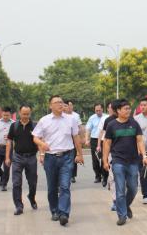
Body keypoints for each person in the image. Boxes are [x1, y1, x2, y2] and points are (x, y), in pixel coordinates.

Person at [33, 95, 84, 227]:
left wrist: (79, 153)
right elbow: (35, 137)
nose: (60, 104)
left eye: (61, 102)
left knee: (65, 186)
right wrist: (41, 145)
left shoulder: (71, 119)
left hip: (67, 156)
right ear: (50, 106)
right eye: (56, 102)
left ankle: (64, 214)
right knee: (52, 187)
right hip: (50, 157)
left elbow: (76, 137)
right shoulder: (44, 120)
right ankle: (54, 210)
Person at [103, 99, 147, 226]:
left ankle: (125, 205)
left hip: (133, 161)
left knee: (133, 188)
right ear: (118, 111)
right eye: (126, 109)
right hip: (118, 161)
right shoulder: (112, 125)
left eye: (129, 108)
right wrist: (105, 160)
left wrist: (144, 155)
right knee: (120, 189)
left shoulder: (134, 124)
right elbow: (107, 143)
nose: (128, 111)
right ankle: (122, 215)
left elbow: (140, 141)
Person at [5, 105, 40, 216]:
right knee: (16, 183)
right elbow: (9, 141)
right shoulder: (14, 126)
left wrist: (42, 154)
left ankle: (31, 197)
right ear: (19, 113)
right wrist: (7, 157)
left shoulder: (35, 126)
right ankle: (19, 206)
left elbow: (39, 140)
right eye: (23, 113)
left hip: (31, 158)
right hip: (18, 158)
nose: (25, 116)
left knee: (33, 182)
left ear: (30, 113)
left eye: (27, 114)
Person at [97, 100, 118, 211]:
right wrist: (105, 158)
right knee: (113, 177)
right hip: (112, 153)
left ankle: (122, 198)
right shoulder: (108, 121)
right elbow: (106, 139)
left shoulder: (130, 121)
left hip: (127, 156)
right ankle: (115, 200)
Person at [85, 103, 108, 185]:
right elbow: (88, 129)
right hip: (94, 139)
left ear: (102, 109)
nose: (98, 112)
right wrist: (87, 139)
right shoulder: (92, 118)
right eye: (96, 110)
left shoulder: (106, 117)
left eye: (99, 110)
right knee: (95, 159)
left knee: (104, 158)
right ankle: (97, 176)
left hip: (104, 140)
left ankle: (105, 176)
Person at [63, 100, 82, 183]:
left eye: (70, 105)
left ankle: (73, 175)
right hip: (64, 138)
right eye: (67, 105)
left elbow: (80, 127)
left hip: (74, 137)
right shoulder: (60, 116)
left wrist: (81, 138)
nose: (69, 107)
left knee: (73, 157)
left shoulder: (75, 116)